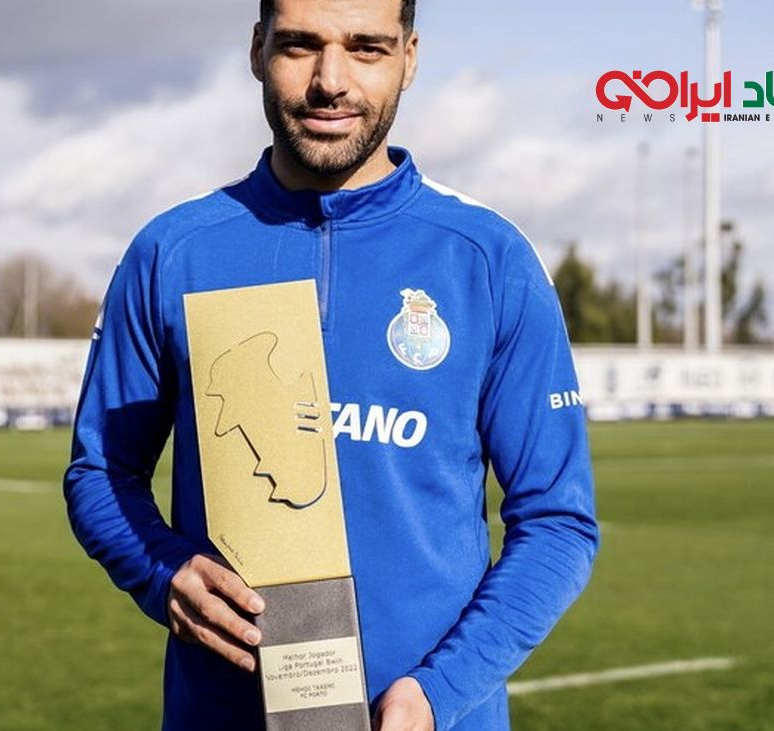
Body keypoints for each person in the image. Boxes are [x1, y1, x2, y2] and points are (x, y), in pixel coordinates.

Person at [63, 0, 599, 729]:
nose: (330, 80)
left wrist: (438, 692)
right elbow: (100, 471)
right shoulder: (174, 252)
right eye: (300, 45)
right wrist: (162, 570)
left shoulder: (486, 259)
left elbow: (557, 521)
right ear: (258, 50)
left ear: (410, 57)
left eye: (366, 47)